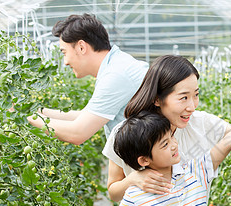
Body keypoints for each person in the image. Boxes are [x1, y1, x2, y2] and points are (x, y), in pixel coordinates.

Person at [102, 55, 231, 202]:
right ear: (158, 98)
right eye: (183, 97)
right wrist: (134, 179)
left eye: (196, 94)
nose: (192, 106)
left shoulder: (201, 124)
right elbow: (113, 191)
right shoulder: (125, 134)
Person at [27, 13, 148, 144]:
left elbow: (77, 133)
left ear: (81, 47)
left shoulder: (116, 74)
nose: (65, 62)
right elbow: (82, 116)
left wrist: (26, 117)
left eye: (64, 52)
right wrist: (39, 111)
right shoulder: (115, 66)